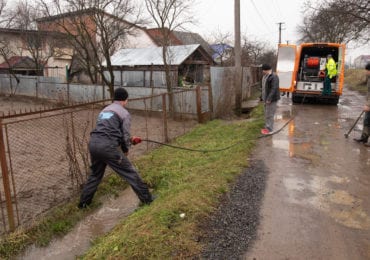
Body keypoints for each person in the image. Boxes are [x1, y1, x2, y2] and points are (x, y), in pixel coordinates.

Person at [78, 87, 155, 208]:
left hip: (93, 144)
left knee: (95, 175)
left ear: (114, 99)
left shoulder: (105, 110)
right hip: (107, 147)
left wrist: (131, 139)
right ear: (125, 100)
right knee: (130, 172)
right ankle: (148, 199)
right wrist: (125, 149)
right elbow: (124, 135)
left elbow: (109, 131)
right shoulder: (124, 113)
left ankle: (83, 204)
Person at [261, 64, 280, 135]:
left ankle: (270, 129)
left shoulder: (274, 77)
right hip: (266, 99)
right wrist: (262, 97)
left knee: (270, 114)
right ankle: (267, 127)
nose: (263, 71)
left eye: (263, 70)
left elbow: (274, 89)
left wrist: (269, 98)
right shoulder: (265, 76)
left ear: (266, 70)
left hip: (271, 99)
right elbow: (264, 88)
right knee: (266, 113)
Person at [354, 62, 370, 147]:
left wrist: (368, 105)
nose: (366, 72)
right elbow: (364, 83)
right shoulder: (369, 77)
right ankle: (364, 138)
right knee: (366, 121)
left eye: (367, 70)